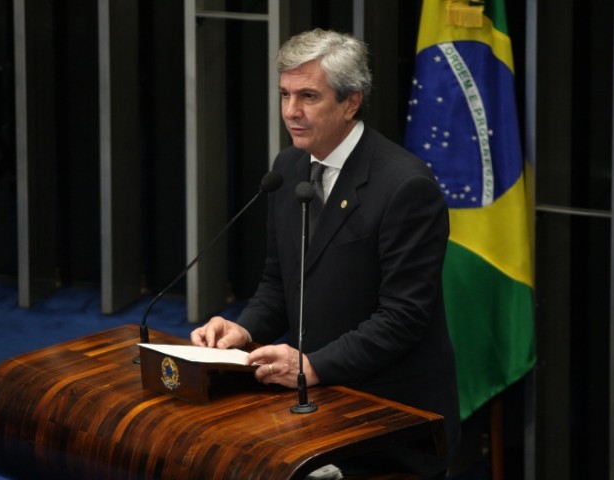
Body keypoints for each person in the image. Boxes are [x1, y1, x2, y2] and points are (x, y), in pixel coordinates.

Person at [191, 28, 460, 478]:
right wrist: (242, 328)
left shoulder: (405, 187)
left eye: (308, 96)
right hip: (311, 404)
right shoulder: (288, 168)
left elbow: (405, 316)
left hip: (387, 415)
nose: (291, 112)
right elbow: (280, 282)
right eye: (285, 95)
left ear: (351, 101)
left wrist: (313, 365)